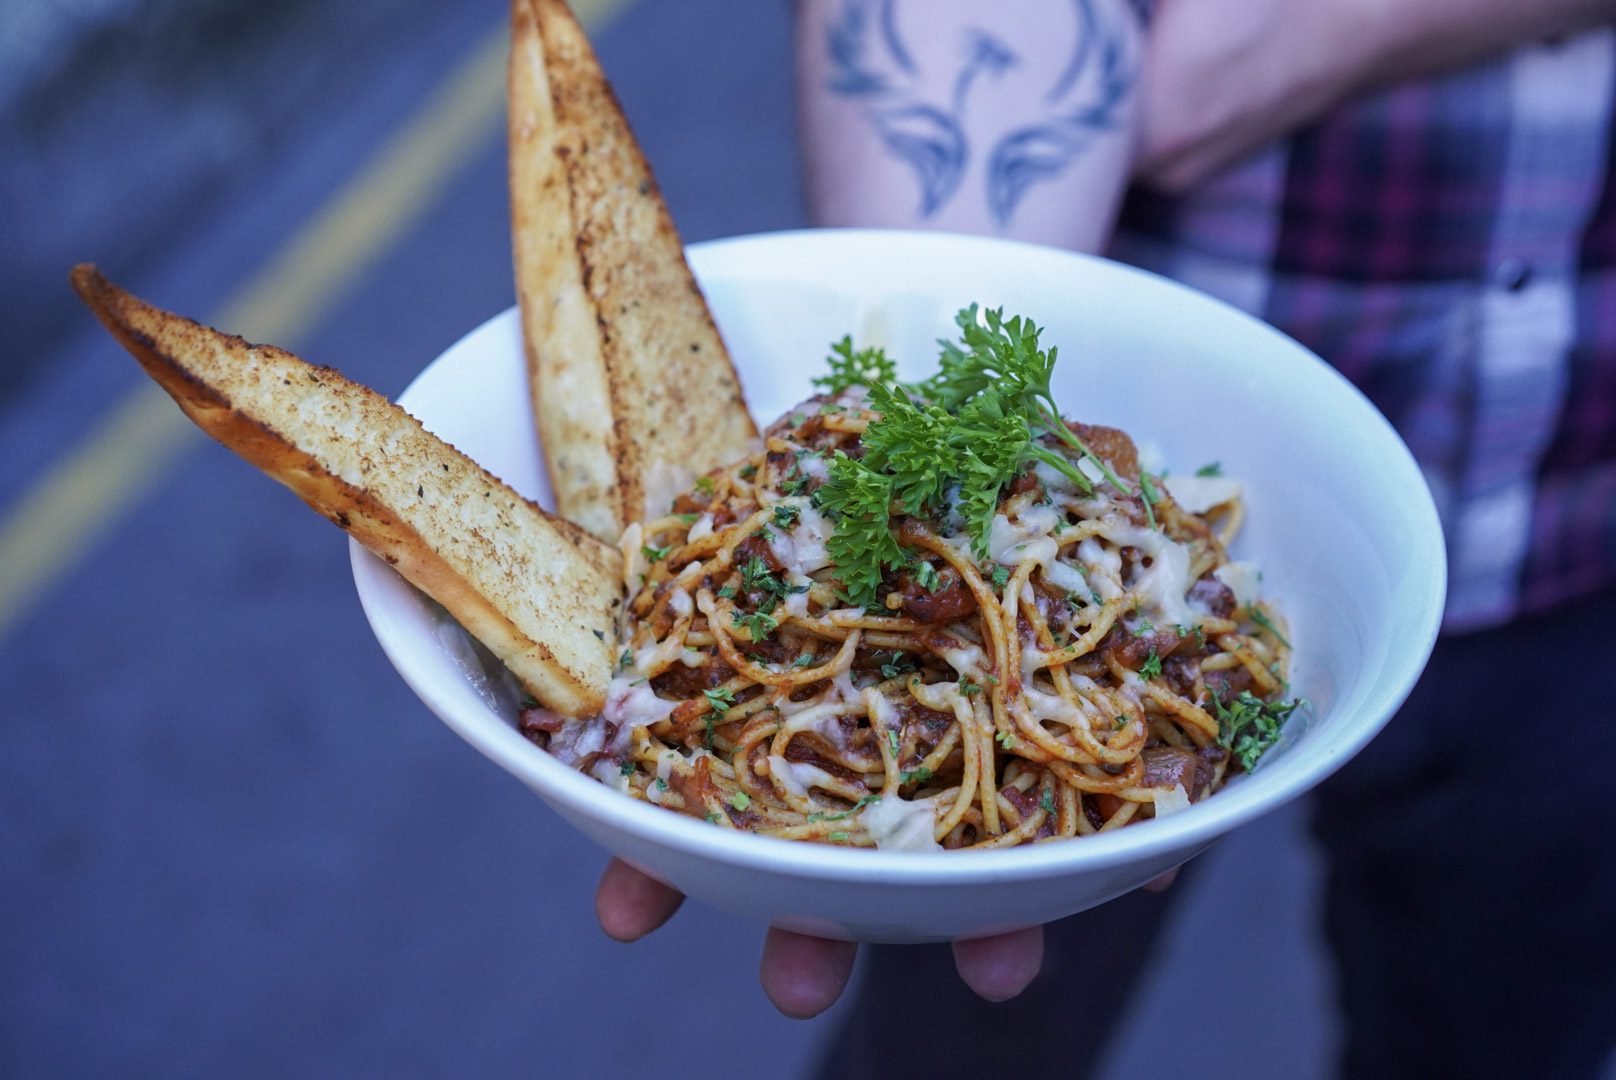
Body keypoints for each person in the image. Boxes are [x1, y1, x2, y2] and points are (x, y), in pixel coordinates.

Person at [597, 2, 1616, 1076]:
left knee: (1496, 1029)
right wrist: (948, 341)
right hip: (1141, 342)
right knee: (963, 1038)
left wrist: (1301, 40)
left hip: (1580, 524)